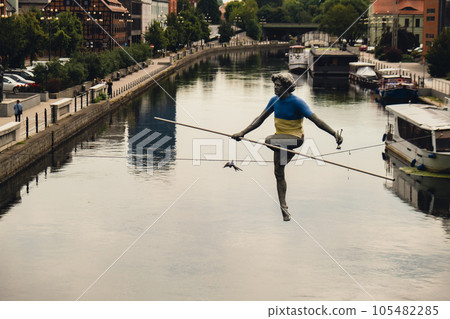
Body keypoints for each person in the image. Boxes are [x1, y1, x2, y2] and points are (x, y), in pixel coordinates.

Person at [232, 73, 343, 221]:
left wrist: (334, 133)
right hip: (281, 141)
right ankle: (283, 207)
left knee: (268, 140)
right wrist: (243, 132)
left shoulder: (298, 103)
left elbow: (317, 121)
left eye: (278, 85)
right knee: (278, 173)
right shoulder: (274, 100)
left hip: (295, 139)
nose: (275, 87)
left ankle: (290, 153)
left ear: (287, 88)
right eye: (275, 85)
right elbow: (259, 119)